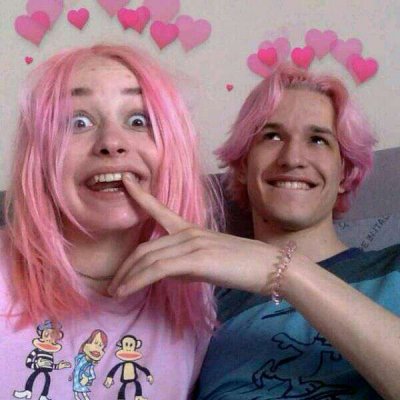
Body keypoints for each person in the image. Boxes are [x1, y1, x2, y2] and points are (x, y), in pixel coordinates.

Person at [108, 65, 400, 399]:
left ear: (344, 173)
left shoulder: (393, 269)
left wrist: (285, 271)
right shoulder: (199, 304)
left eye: (318, 140)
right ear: (244, 167)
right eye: (272, 136)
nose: (292, 158)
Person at [0, 44, 216, 400]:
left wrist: (281, 271)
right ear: (40, 155)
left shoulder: (199, 295)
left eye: (138, 120)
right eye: (78, 122)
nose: (112, 143)